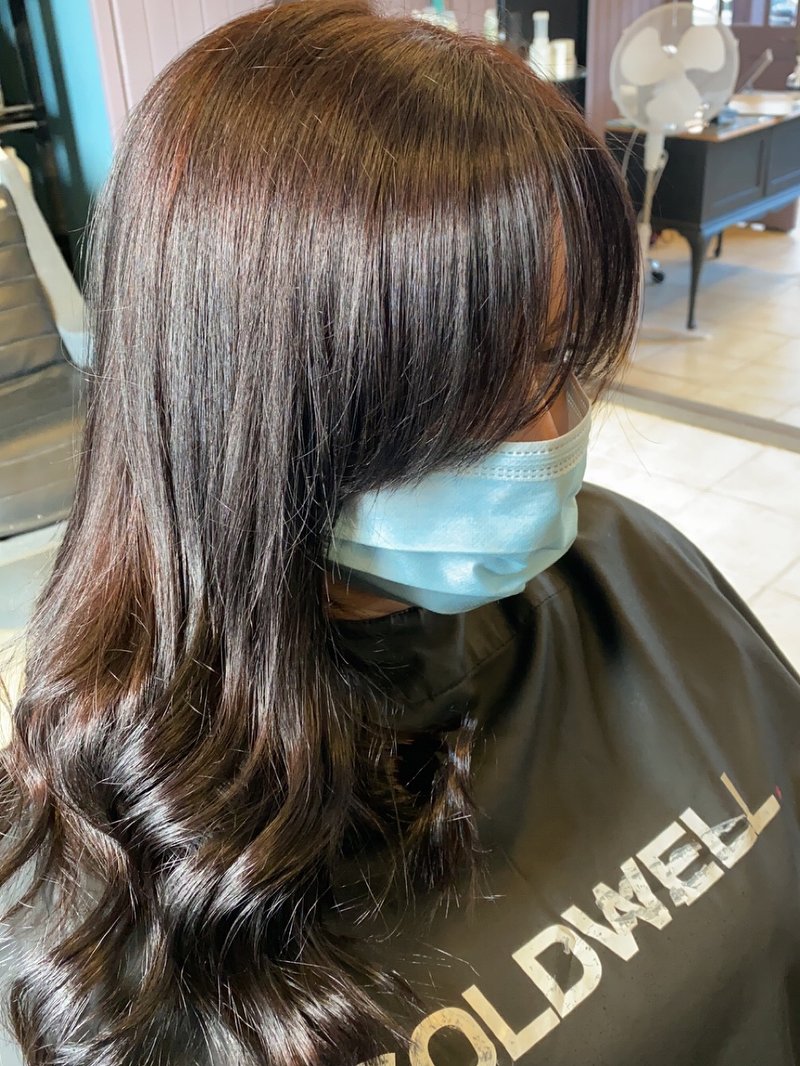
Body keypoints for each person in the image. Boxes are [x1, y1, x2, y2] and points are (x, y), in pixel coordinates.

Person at [0, 3, 798, 1065]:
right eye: (466, 387)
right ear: (251, 400)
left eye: (560, 355)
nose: (550, 440)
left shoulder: (629, 563)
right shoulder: (90, 897)